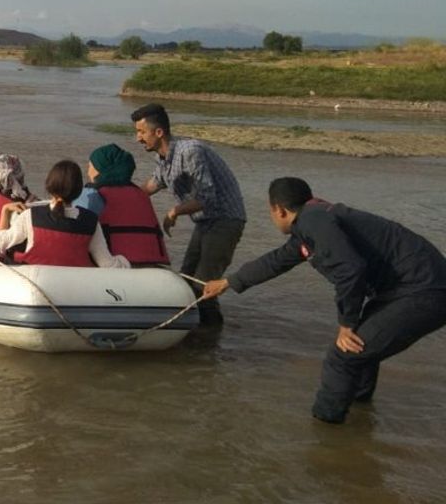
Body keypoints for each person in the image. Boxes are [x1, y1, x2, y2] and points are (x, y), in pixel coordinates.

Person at [202, 177, 446, 424]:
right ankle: (360, 418)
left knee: (343, 355)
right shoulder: (314, 223)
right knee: (361, 352)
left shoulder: (313, 220)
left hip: (423, 289)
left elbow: (350, 269)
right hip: (406, 289)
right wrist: (228, 282)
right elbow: (276, 261)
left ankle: (325, 430)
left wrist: (346, 323)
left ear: (278, 209)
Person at [132, 103, 244, 324]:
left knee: (204, 286)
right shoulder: (163, 158)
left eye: (141, 132)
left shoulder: (190, 152)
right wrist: (119, 193)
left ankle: (211, 335)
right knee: (185, 279)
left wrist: (175, 211)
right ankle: (197, 334)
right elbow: (150, 187)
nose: (138, 138)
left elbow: (207, 197)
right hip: (205, 222)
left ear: (159, 132)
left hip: (225, 220)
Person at [0, 160, 130, 268]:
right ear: (78, 191)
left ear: (49, 186)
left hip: (36, 280)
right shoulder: (91, 222)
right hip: (75, 287)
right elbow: (107, 264)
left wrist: (5, 210)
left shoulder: (29, 216)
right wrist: (126, 262)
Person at [73, 143, 169, 266]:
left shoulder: (91, 194)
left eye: (90, 166)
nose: (88, 172)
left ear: (99, 169)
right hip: (153, 263)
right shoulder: (141, 194)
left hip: (115, 265)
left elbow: (73, 230)